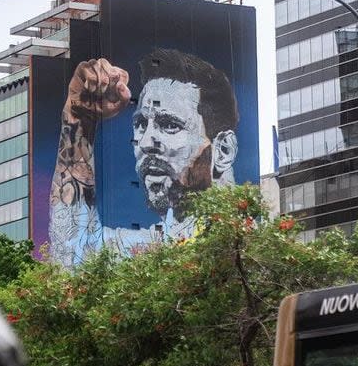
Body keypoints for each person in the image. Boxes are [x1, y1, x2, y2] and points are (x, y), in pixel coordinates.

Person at [49, 48, 239, 266]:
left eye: (169, 125)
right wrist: (79, 119)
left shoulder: (256, 253)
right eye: (140, 124)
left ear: (224, 150)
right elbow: (71, 260)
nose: (146, 142)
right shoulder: (149, 251)